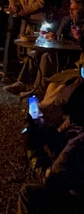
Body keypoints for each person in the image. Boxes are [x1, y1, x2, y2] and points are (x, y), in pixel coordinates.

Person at [17, 82, 84, 214]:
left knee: (29, 194)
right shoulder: (79, 126)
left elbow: (50, 179)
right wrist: (46, 132)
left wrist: (32, 150)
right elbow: (66, 149)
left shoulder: (79, 140)